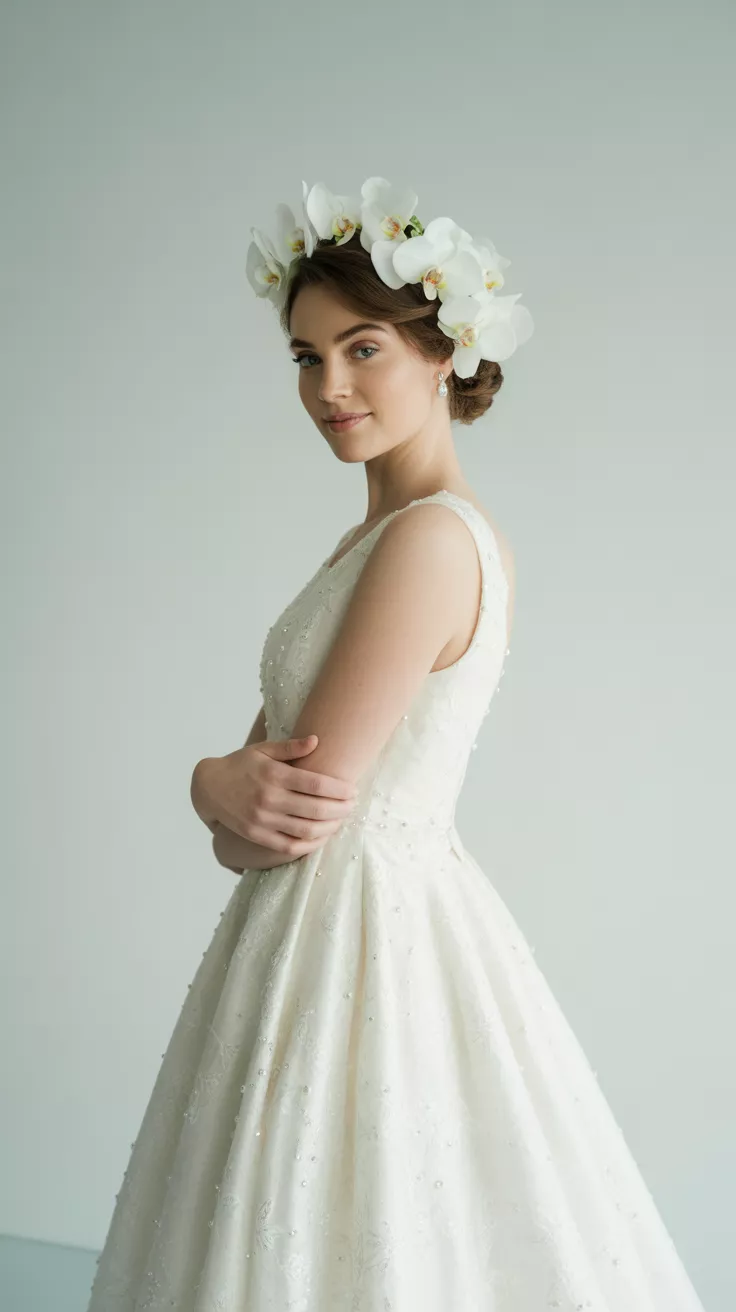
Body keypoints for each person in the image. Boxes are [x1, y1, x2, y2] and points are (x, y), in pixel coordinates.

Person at [87, 178, 705, 1310]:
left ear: (443, 354)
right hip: (314, 921)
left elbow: (293, 804)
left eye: (361, 348)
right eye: (304, 357)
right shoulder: (368, 538)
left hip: (361, 932)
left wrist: (214, 784)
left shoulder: (428, 541)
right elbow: (248, 827)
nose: (328, 387)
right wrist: (214, 787)